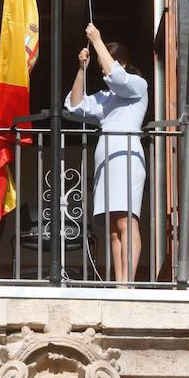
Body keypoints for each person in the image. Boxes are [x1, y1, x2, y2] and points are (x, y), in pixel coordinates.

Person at [65, 23, 148, 284]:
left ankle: (129, 283)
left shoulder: (137, 86)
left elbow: (117, 77)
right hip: (106, 163)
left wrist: (97, 40)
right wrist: (81, 69)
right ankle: (120, 281)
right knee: (113, 229)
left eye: (106, 62)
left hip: (126, 158)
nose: (103, 69)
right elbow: (75, 105)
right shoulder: (104, 97)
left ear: (121, 61)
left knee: (127, 221)